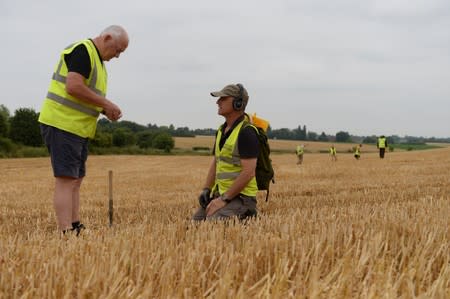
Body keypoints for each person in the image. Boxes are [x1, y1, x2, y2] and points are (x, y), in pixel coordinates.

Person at [38, 25, 129, 235]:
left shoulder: (97, 61)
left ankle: (75, 224)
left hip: (77, 128)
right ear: (106, 38)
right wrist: (105, 103)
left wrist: (104, 110)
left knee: (75, 180)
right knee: (66, 180)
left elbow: (85, 94)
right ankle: (66, 230)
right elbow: (73, 86)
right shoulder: (83, 50)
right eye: (118, 50)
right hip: (62, 123)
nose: (117, 56)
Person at [192, 83, 259, 221]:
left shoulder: (246, 132)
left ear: (238, 103)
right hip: (222, 194)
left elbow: (249, 172)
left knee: (212, 225)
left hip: (242, 197)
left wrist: (223, 199)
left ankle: (248, 213)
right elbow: (216, 161)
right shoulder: (221, 131)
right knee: (196, 223)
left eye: (223, 98)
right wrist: (206, 189)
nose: (218, 102)